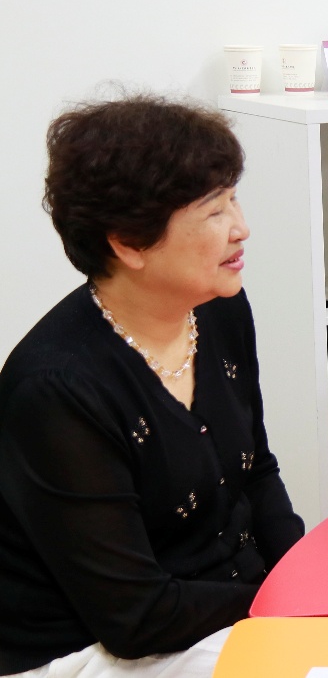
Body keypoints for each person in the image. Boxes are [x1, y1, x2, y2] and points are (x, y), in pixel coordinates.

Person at [0, 95, 305, 678]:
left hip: (217, 609)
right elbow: (134, 618)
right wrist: (283, 603)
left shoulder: (217, 308)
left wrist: (307, 576)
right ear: (128, 243)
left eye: (234, 198)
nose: (241, 228)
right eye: (214, 212)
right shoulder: (56, 389)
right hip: (93, 648)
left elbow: (256, 470)